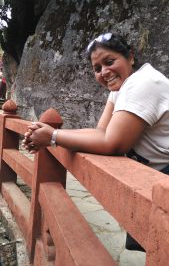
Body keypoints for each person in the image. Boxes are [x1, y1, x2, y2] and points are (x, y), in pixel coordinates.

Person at [22, 32, 169, 251]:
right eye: (97, 68)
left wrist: (52, 136)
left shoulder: (145, 82)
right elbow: (101, 131)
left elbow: (113, 143)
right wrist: (48, 134)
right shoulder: (121, 89)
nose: (104, 72)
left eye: (109, 62)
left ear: (130, 57)